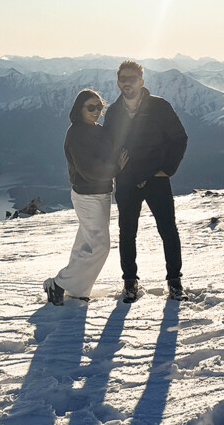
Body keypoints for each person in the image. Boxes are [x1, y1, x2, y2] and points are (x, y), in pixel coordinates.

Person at [104, 60, 189, 303]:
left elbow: (179, 138)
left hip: (156, 179)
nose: (127, 83)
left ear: (141, 81)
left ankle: (174, 281)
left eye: (132, 78)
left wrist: (167, 170)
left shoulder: (159, 107)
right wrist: (114, 168)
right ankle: (130, 282)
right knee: (127, 232)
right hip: (127, 181)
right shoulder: (113, 112)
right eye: (123, 79)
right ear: (118, 82)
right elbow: (108, 146)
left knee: (168, 230)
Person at [43, 89, 127, 306]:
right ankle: (58, 283)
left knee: (85, 245)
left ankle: (78, 290)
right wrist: (116, 167)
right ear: (79, 109)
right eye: (91, 107)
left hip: (101, 193)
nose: (96, 111)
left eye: (99, 107)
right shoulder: (77, 133)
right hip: (87, 195)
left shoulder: (97, 130)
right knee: (100, 246)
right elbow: (89, 169)